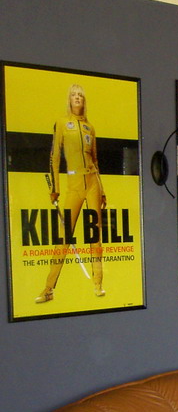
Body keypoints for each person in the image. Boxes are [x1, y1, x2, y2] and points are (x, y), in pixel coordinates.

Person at [35, 83, 106, 303]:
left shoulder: (90, 127)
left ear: (84, 101)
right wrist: (54, 188)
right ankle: (48, 288)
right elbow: (54, 157)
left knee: (95, 235)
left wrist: (103, 191)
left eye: (81, 96)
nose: (77, 98)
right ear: (69, 99)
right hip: (73, 183)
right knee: (64, 236)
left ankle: (98, 284)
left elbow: (95, 161)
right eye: (74, 95)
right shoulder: (62, 123)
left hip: (92, 182)